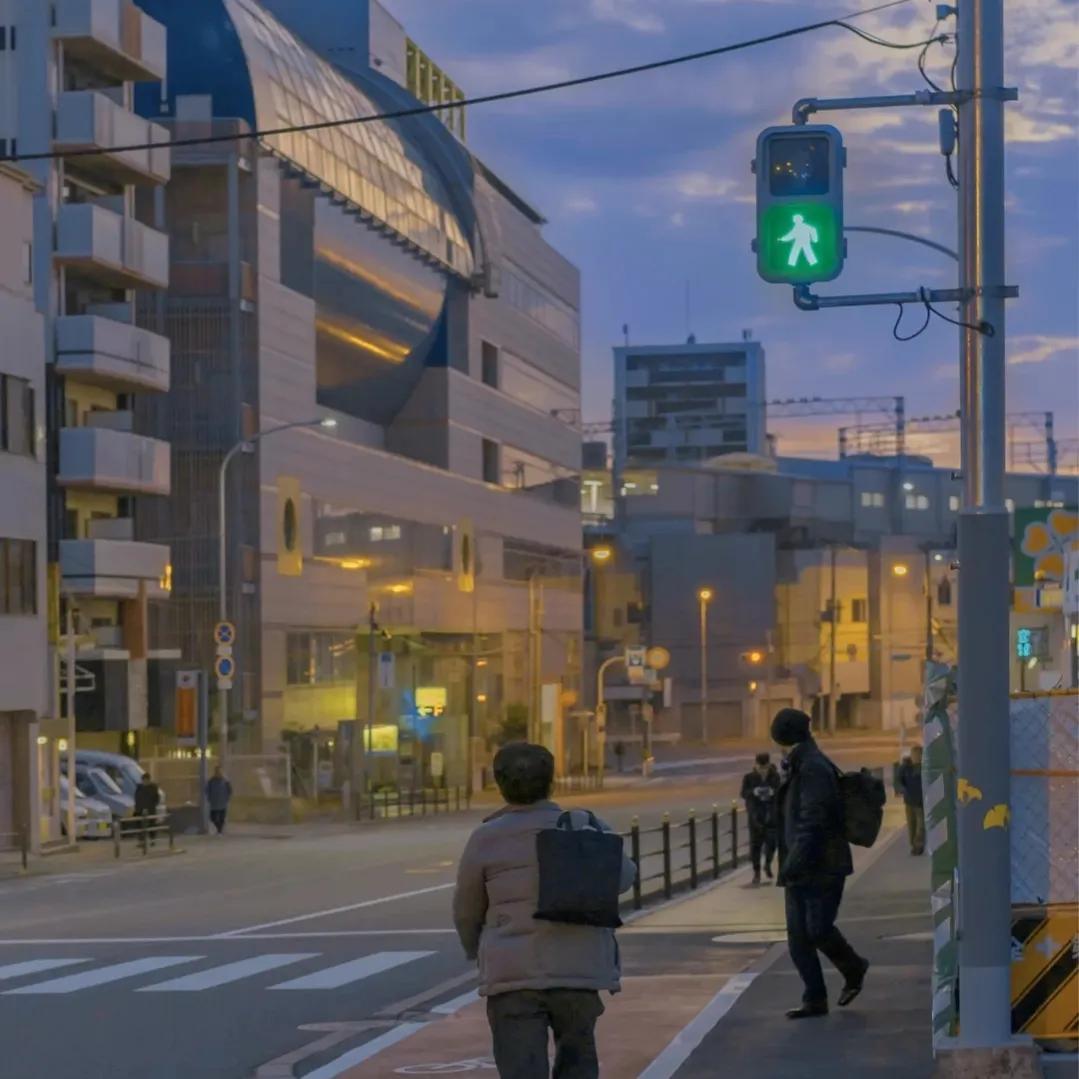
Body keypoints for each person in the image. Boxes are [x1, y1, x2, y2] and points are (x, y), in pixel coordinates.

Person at [454, 743, 636, 1079]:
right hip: (579, 968)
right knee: (578, 1063)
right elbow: (624, 878)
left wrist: (475, 950)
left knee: (521, 1069)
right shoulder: (586, 826)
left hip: (513, 974)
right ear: (552, 782)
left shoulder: (485, 838)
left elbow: (467, 909)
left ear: (500, 784)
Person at [772, 708, 869, 1019]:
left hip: (821, 864)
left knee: (817, 929)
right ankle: (814, 998)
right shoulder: (803, 763)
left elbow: (814, 819)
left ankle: (853, 967)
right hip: (803, 865)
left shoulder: (812, 767)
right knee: (798, 938)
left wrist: (793, 861)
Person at [741, 752, 780, 885]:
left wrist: (773, 792)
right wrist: (753, 792)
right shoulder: (749, 778)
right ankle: (756, 872)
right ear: (756, 765)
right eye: (760, 767)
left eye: (765, 767)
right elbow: (743, 793)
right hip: (755, 816)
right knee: (755, 846)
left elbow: (781, 791)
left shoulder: (775, 776)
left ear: (769, 765)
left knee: (772, 844)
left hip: (771, 815)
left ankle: (767, 864)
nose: (763, 770)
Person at [897, 746, 925, 855]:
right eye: (915, 755)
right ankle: (914, 844)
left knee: (921, 826)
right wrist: (901, 789)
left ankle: (918, 845)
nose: (917, 757)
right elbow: (898, 780)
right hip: (909, 801)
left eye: (919, 755)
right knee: (912, 825)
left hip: (921, 802)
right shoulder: (905, 767)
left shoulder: (925, 767)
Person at [133, 772, 161, 846]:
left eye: (146, 780)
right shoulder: (139, 788)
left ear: (149, 780)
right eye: (143, 780)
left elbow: (156, 798)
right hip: (140, 810)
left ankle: (152, 840)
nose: (145, 781)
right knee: (140, 826)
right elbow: (137, 798)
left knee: (151, 825)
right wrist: (137, 808)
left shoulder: (153, 788)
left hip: (150, 809)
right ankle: (141, 842)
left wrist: (152, 806)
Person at [206, 767, 233, 836]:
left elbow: (230, 790)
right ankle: (219, 829)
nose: (218, 773)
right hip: (214, 802)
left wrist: (227, 798)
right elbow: (207, 790)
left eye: (220, 772)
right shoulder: (211, 781)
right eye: (217, 772)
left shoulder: (225, 781)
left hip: (223, 802)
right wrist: (209, 798)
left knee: (222, 818)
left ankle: (219, 831)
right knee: (212, 817)